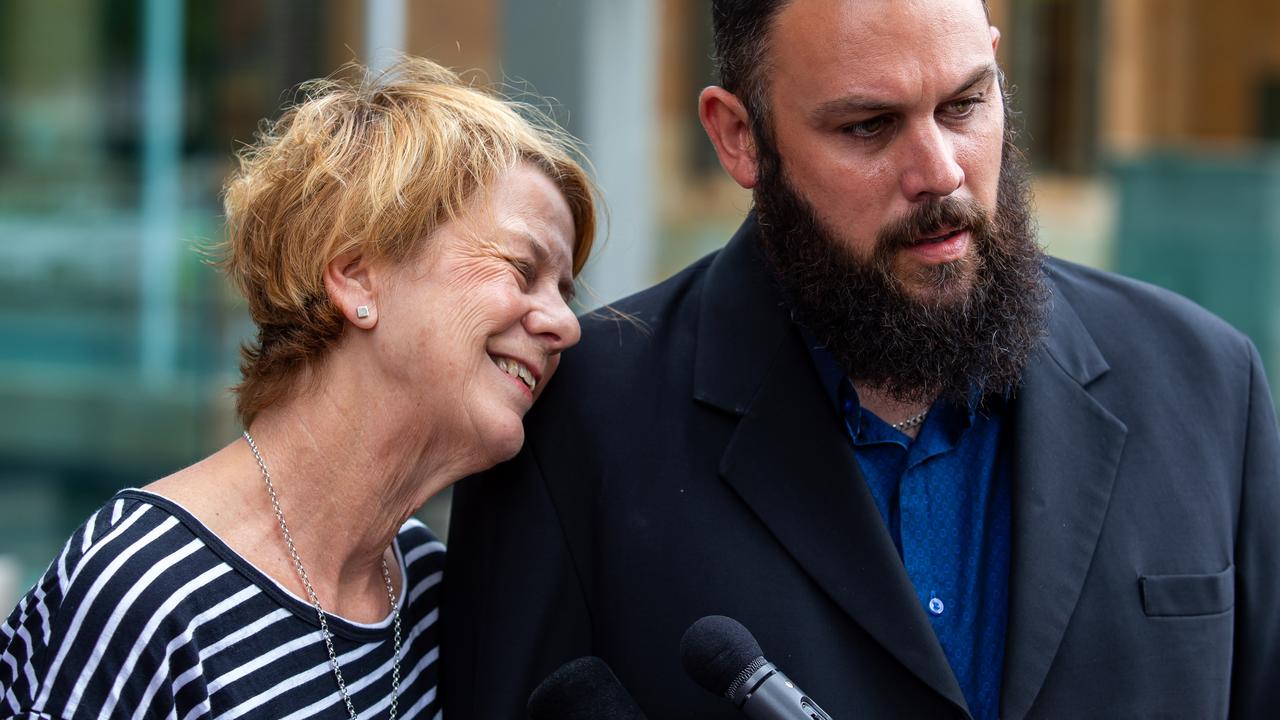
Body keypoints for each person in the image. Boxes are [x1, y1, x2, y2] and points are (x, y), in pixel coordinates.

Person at [441, 1, 1280, 718]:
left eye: (964, 104)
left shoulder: (1208, 387)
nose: (941, 171)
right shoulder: (576, 427)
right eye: (869, 126)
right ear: (740, 137)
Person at [0, 57, 596, 719]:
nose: (566, 325)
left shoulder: (431, 587)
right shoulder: (147, 589)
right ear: (358, 276)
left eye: (564, 292)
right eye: (522, 270)